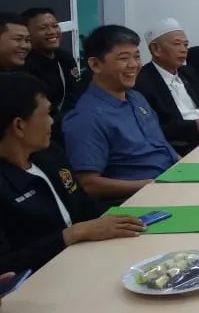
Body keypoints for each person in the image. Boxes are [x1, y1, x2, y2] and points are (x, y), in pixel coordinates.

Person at [0, 73, 145, 275]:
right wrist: (71, 234)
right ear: (19, 125)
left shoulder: (50, 155)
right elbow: (6, 264)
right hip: (49, 275)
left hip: (92, 254)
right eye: (46, 114)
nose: (52, 121)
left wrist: (134, 215)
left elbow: (84, 205)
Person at [62, 25, 179, 201]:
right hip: (138, 200)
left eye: (137, 56)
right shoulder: (86, 117)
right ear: (95, 64)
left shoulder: (136, 98)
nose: (133, 65)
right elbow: (89, 184)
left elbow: (163, 148)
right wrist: (152, 186)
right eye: (123, 58)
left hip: (172, 183)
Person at [134, 19, 199, 156]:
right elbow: (152, 128)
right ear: (155, 49)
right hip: (182, 145)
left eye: (186, 44)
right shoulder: (142, 81)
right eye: (177, 44)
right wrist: (193, 127)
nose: (184, 50)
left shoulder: (188, 72)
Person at [21, 7, 80, 113]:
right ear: (27, 34)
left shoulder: (65, 58)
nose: (52, 32)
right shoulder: (23, 65)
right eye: (43, 28)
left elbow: (76, 92)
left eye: (55, 26)